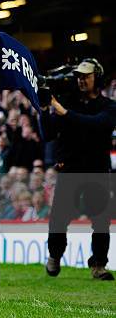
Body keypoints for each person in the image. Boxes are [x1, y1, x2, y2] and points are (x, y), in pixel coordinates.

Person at [41, 58, 115, 281]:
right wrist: (44, 108)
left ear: (97, 78)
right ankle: (54, 255)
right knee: (59, 218)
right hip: (70, 168)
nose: (81, 80)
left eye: (86, 76)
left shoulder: (108, 107)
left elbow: (94, 125)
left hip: (97, 169)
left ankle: (98, 265)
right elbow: (48, 135)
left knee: (101, 219)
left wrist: (62, 111)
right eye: (79, 76)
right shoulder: (67, 101)